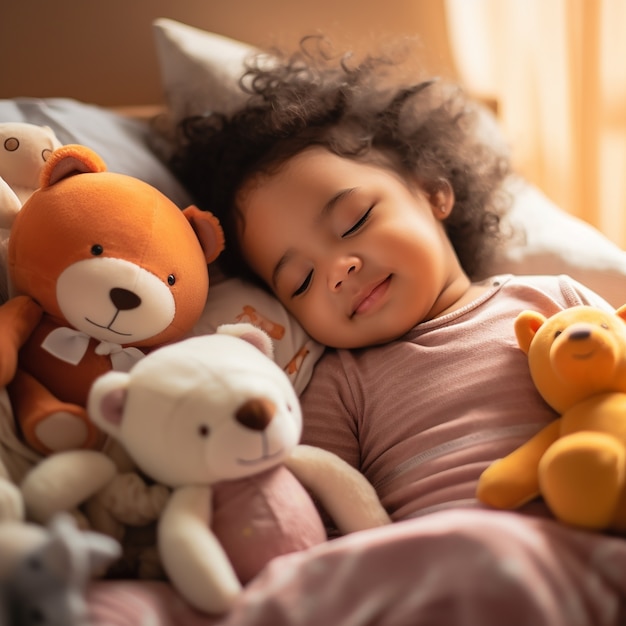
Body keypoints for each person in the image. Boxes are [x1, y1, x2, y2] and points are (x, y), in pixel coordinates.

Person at [170, 37, 626, 626]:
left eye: (355, 220)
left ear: (433, 190)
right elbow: (319, 526)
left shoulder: (553, 299)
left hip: (588, 541)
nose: (338, 270)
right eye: (301, 280)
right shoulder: (341, 381)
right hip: (438, 575)